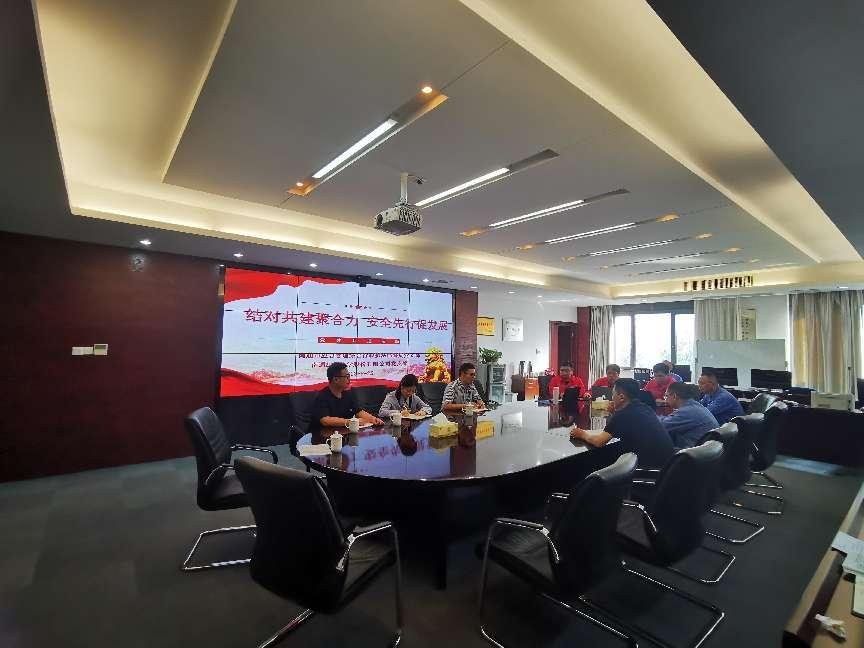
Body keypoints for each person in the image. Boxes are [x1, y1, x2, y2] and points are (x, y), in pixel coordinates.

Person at [570, 378, 674, 469]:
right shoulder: (644, 407)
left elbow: (598, 442)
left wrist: (582, 434)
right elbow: (626, 424)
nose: (612, 397)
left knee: (595, 460)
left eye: (613, 394)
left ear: (621, 397)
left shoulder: (623, 415)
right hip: (666, 465)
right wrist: (615, 412)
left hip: (648, 468)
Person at [310, 362, 384, 434]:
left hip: (344, 433)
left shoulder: (347, 394)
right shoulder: (322, 396)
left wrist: (373, 419)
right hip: (324, 436)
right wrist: (351, 422)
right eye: (346, 376)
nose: (349, 379)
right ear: (336, 380)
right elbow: (325, 420)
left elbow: (358, 412)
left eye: (349, 376)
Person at [659, 382, 719, 448]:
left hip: (693, 451)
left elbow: (660, 426)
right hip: (706, 449)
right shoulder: (693, 406)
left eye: (666, 396)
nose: (665, 399)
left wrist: (652, 417)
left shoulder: (686, 411)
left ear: (674, 396)